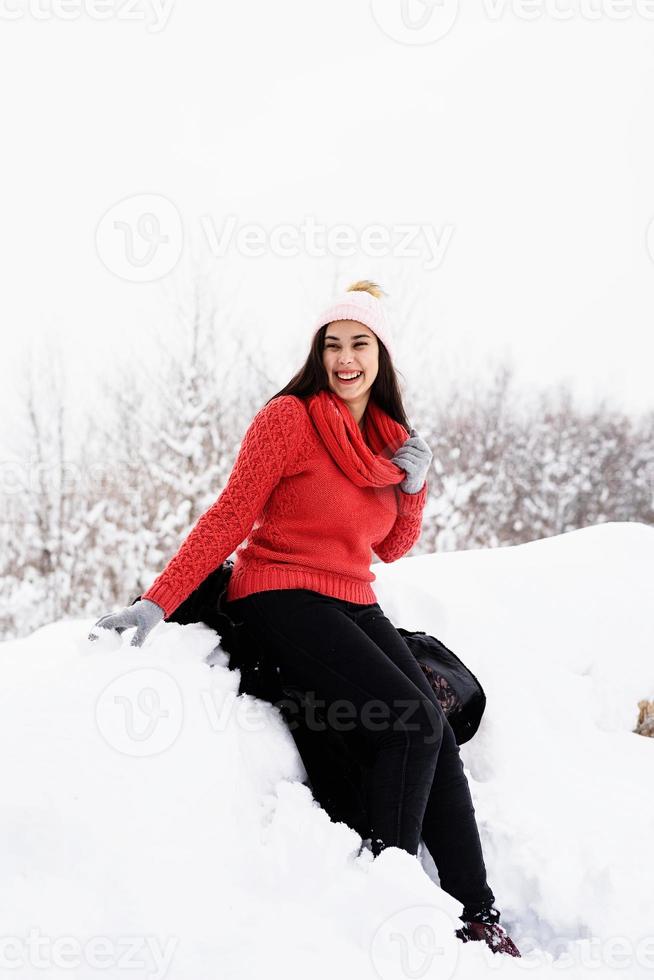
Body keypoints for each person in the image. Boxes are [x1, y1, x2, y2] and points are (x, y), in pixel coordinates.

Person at [90, 280, 520, 957]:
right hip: (279, 591)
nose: (346, 357)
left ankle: (478, 910)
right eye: (333, 343)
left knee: (429, 726)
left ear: (381, 355)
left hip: (353, 596)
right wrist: (158, 599)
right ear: (318, 353)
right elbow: (231, 514)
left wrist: (412, 489)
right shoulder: (289, 419)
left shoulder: (387, 438)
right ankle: (391, 902)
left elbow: (388, 547)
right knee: (407, 723)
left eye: (360, 343)